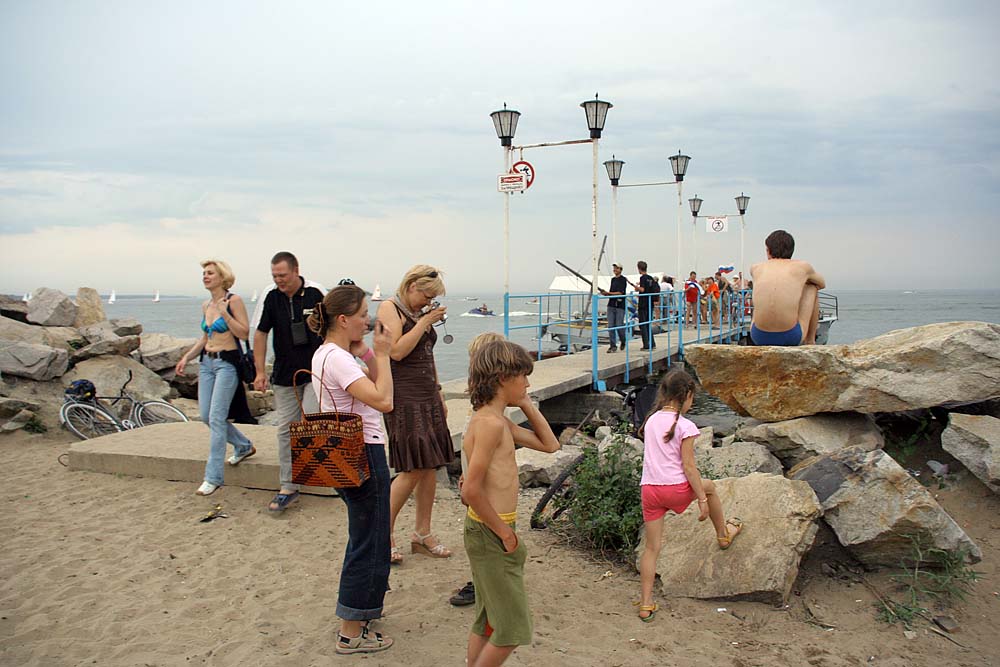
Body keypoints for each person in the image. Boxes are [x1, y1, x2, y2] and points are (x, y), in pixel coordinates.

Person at [308, 284, 395, 655]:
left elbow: (373, 385)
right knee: (370, 540)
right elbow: (385, 400)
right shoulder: (338, 359)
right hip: (362, 451)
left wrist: (368, 352)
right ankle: (350, 630)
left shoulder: (330, 354)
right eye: (362, 314)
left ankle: (360, 614)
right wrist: (386, 355)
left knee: (368, 534)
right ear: (343, 319)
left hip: (345, 451)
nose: (367, 320)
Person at [462, 339, 560, 666]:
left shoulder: (498, 420)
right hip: (492, 529)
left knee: (488, 619)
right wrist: (504, 532)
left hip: (489, 526)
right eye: (523, 377)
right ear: (503, 377)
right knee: (512, 629)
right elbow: (471, 491)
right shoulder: (489, 424)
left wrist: (527, 404)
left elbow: (550, 445)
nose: (528, 383)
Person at [635, 368, 744, 622]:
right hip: (675, 489)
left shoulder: (650, 421)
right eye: (692, 398)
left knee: (652, 549)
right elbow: (688, 467)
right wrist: (702, 500)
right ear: (687, 395)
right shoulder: (686, 426)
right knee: (711, 487)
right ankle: (723, 535)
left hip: (650, 490)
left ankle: (645, 604)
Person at [376, 265, 454, 565]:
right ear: (411, 286)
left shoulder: (418, 314)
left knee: (431, 463)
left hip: (426, 394)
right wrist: (424, 322)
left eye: (432, 298)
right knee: (412, 468)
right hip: (403, 396)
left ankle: (422, 533)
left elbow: (427, 354)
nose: (427, 302)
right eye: (426, 295)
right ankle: (384, 535)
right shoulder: (389, 308)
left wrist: (439, 391)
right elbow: (395, 351)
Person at [249, 252, 326, 513]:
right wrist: (259, 371)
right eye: (274, 276)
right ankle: (288, 486)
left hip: (315, 372)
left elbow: (336, 327)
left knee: (312, 421)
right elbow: (260, 334)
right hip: (284, 375)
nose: (279, 280)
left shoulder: (316, 293)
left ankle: (316, 469)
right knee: (285, 428)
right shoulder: (271, 297)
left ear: (296, 271)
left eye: (282, 275)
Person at [175, 260, 255, 496]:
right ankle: (243, 445)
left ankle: (213, 477)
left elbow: (244, 333)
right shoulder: (205, 304)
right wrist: (186, 358)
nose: (205, 276)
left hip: (226, 365)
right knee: (206, 416)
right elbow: (204, 337)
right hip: (206, 364)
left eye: (210, 273)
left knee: (217, 418)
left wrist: (225, 314)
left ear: (222, 277)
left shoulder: (234, 301)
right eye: (203, 273)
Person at [449, 331, 506, 609]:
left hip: (484, 484)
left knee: (486, 529)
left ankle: (483, 582)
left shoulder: (491, 412)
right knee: (480, 530)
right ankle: (484, 577)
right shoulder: (480, 406)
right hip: (473, 475)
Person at [749, 230, 826, 345]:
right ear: (792, 250)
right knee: (812, 287)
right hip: (790, 336)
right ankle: (810, 341)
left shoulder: (756, 268)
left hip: (758, 335)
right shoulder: (802, 267)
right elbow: (821, 284)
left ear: (768, 250)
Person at [599, 263, 628, 353]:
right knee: (611, 326)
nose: (615, 269)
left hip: (620, 306)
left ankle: (623, 341)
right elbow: (612, 292)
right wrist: (606, 293)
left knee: (619, 326)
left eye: (616, 268)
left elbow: (620, 292)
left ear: (620, 269)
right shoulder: (613, 280)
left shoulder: (623, 280)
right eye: (614, 268)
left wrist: (609, 293)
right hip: (611, 305)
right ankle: (613, 346)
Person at [635, 261, 659, 350]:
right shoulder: (651, 278)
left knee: (643, 324)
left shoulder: (643, 278)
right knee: (648, 323)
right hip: (650, 303)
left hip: (643, 304)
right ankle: (652, 343)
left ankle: (646, 345)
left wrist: (636, 287)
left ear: (639, 268)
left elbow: (642, 289)